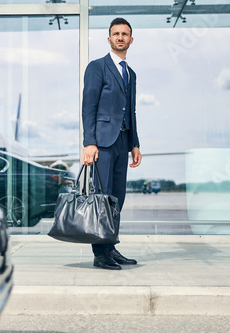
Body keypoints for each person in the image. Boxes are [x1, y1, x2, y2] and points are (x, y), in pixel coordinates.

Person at [82, 17, 142, 270]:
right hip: (103, 144)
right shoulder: (97, 67)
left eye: (124, 34)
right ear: (109, 39)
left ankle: (111, 246)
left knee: (117, 198)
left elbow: (132, 111)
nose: (120, 37)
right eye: (115, 34)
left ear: (131, 39)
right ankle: (100, 254)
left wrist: (135, 143)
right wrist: (89, 142)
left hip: (123, 141)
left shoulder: (131, 73)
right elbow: (89, 106)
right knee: (102, 199)